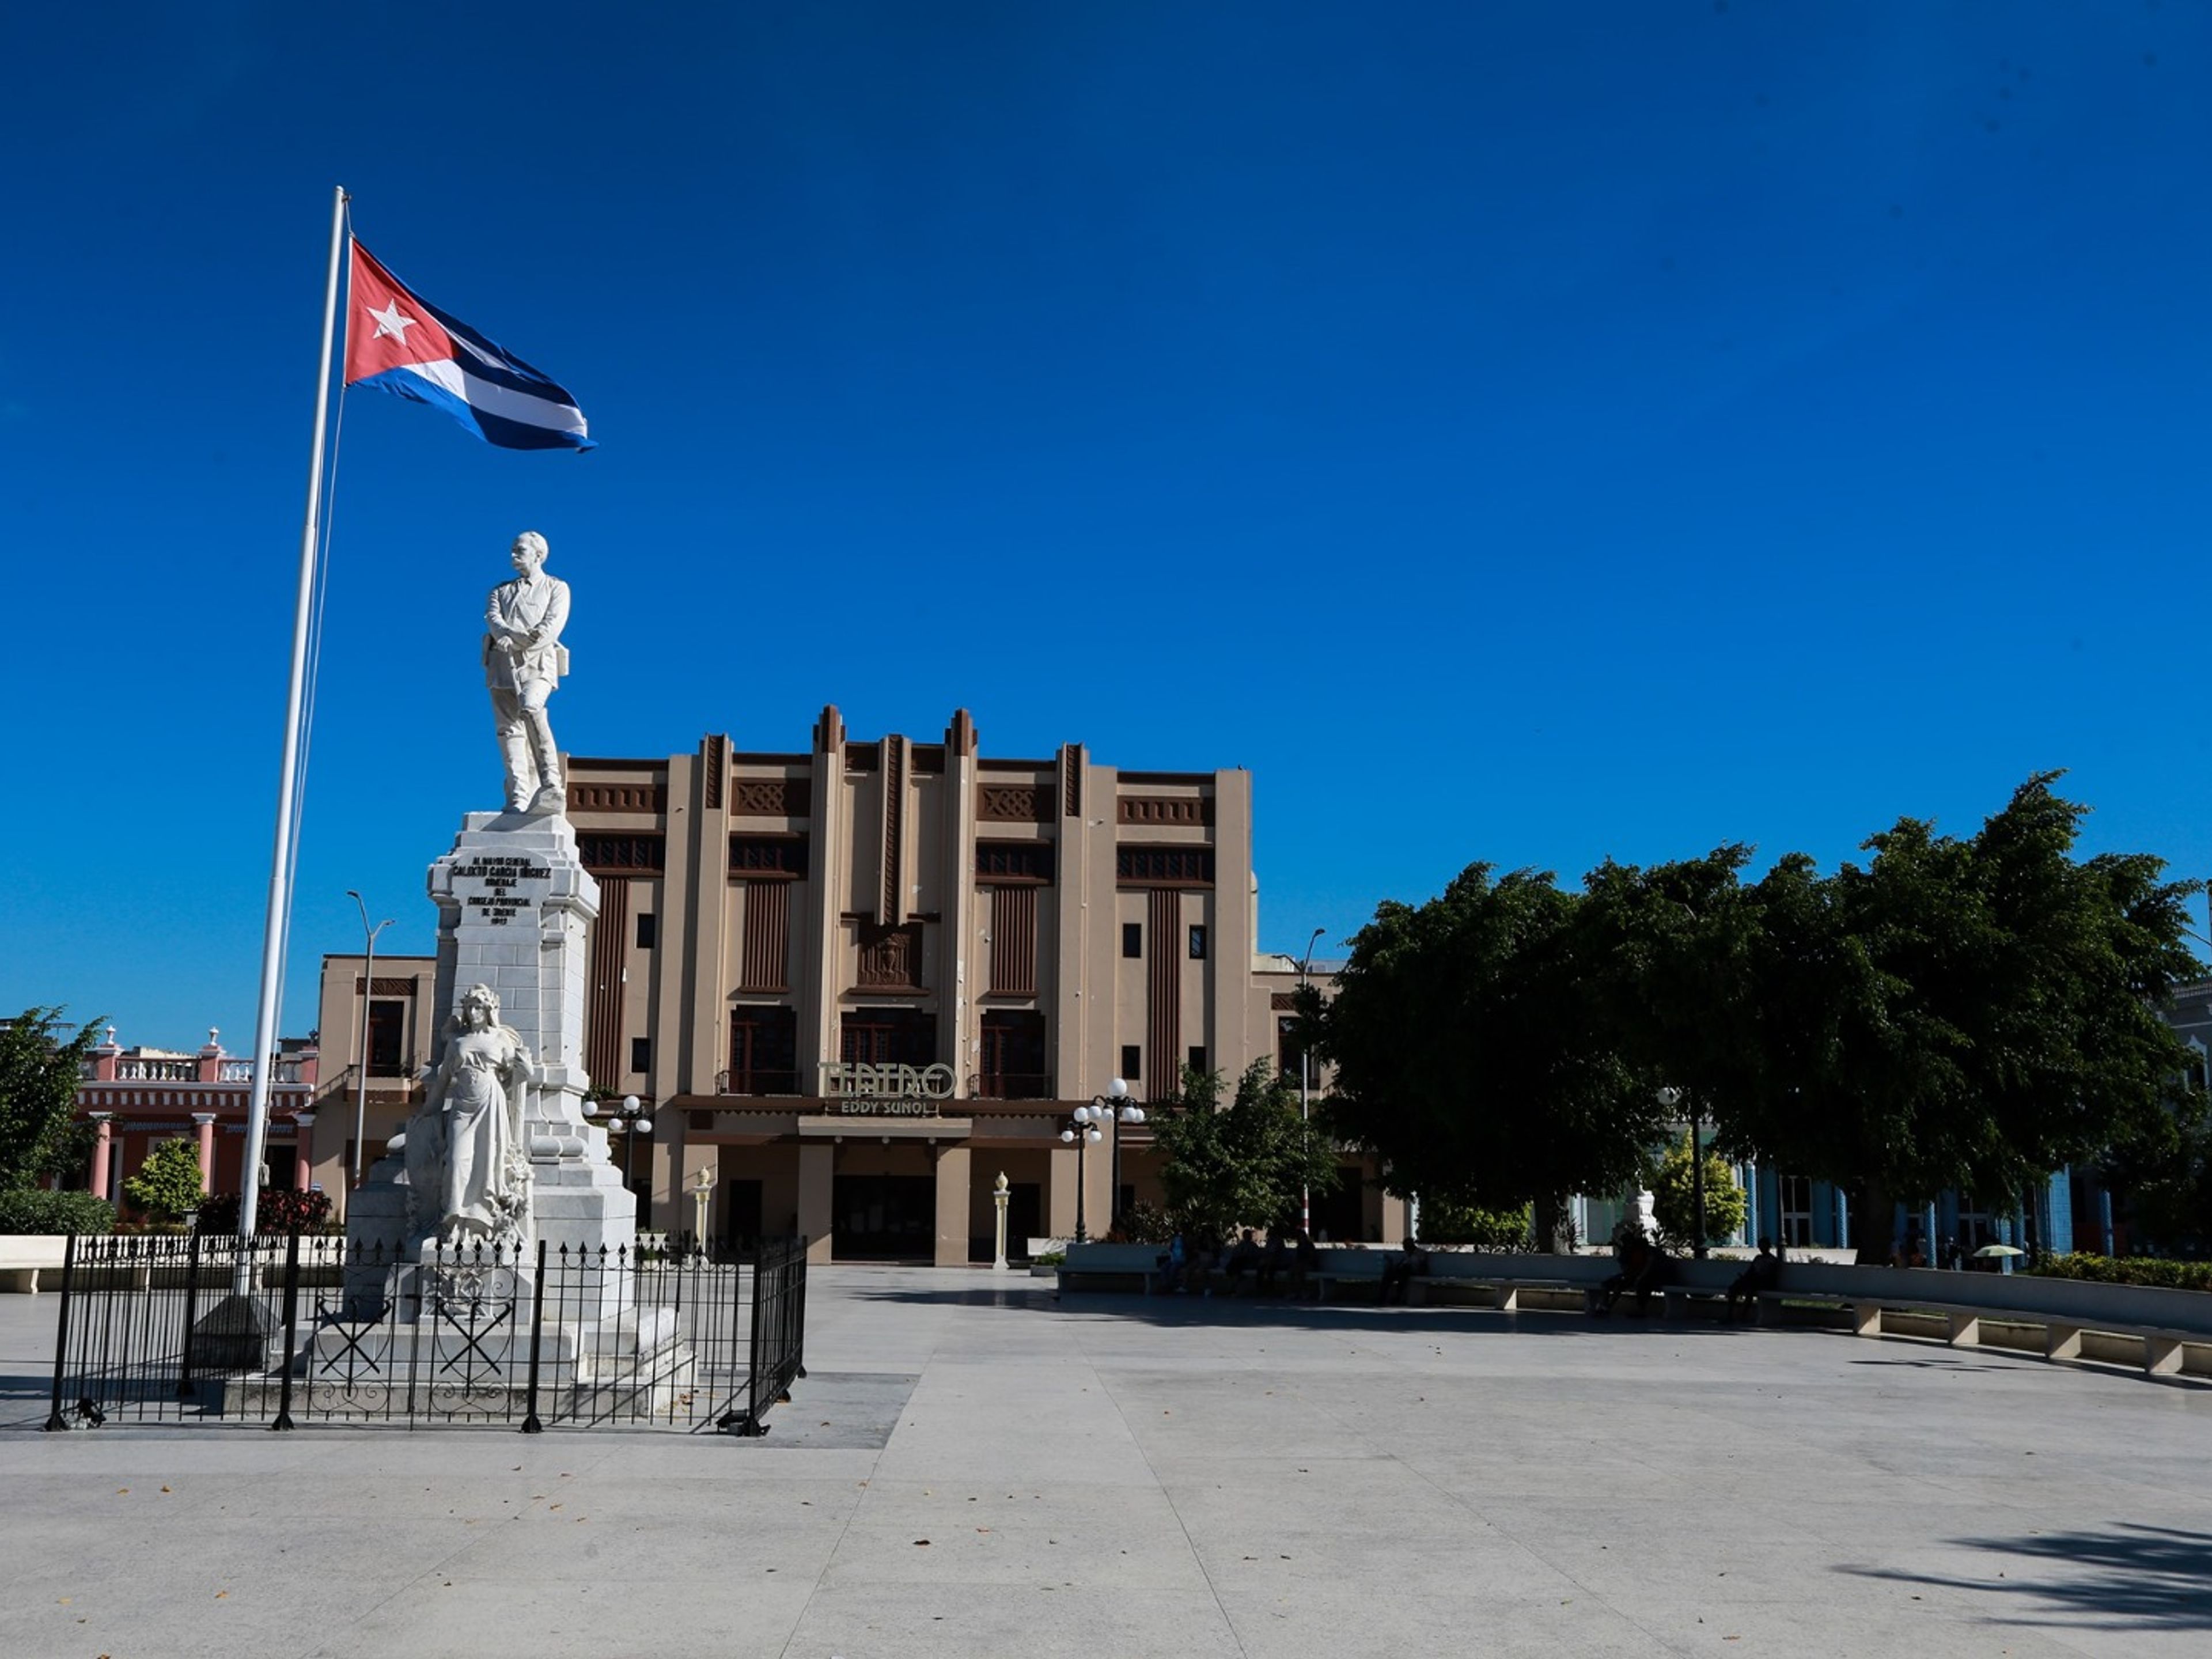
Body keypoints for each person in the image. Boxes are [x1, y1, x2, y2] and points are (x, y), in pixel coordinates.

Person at [402, 983, 535, 1250]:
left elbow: (519, 1071)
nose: (473, 1012)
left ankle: (481, 1222)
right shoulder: (457, 1041)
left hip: (490, 1103)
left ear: (488, 1010)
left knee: (487, 1161)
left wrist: (526, 1066)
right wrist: (428, 1112)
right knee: (456, 1159)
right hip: (463, 1104)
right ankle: (453, 1221)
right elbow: (441, 1082)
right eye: (469, 1007)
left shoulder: (500, 1039)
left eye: (478, 1007)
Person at [485, 531, 572, 814]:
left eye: (519, 549)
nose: (513, 554)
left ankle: (550, 783)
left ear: (538, 553)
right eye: (512, 549)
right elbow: (494, 620)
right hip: (501, 664)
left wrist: (515, 637)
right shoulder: (500, 591)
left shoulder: (556, 588)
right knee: (508, 730)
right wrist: (503, 636)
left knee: (532, 708)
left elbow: (550, 628)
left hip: (537, 663)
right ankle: (519, 795)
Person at [1725, 1237, 1781, 1322]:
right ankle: (1729, 1315)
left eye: (1763, 1246)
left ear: (1768, 1247)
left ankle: (1742, 1315)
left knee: (1750, 1290)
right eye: (1760, 1246)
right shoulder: (1758, 1258)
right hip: (1754, 1281)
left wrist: (1757, 1277)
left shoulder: (1772, 1260)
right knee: (1735, 1287)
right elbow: (1750, 1271)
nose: (1761, 1248)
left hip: (1765, 1283)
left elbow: (1771, 1276)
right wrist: (1744, 1278)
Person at [1379, 1237, 1430, 1305]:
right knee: (1389, 1274)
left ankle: (1398, 1297)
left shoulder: (1420, 1253)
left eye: (1406, 1246)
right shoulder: (1405, 1254)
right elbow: (1400, 1263)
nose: (1404, 1248)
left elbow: (1422, 1266)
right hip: (1403, 1272)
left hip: (1415, 1271)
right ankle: (1381, 1297)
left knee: (1404, 1272)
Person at [1224, 1227, 1266, 1293]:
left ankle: (1234, 1287)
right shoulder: (1241, 1244)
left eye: (1248, 1235)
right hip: (1239, 1263)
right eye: (1246, 1235)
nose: (1247, 1237)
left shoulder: (1253, 1245)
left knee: (1236, 1264)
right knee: (1235, 1263)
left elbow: (1257, 1256)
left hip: (1248, 1263)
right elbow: (1235, 1253)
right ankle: (1233, 1284)